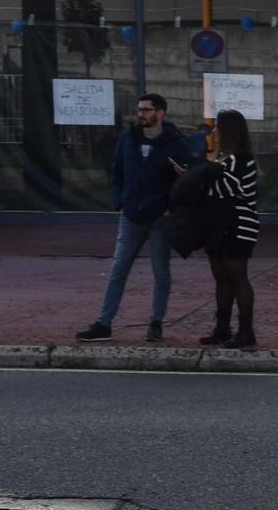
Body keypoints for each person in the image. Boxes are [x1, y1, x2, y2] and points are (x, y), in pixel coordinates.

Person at [75, 92, 194, 343]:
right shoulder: (127, 138)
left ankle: (156, 322)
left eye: (147, 110)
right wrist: (121, 202)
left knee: (161, 271)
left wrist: (171, 207)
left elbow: (188, 179)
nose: (141, 114)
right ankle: (104, 323)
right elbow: (116, 170)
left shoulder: (175, 143)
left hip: (160, 218)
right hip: (131, 215)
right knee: (118, 269)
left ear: (160, 113)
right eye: (139, 109)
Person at [199, 109, 260, 348]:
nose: (214, 130)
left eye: (218, 127)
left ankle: (246, 330)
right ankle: (222, 327)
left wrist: (200, 178)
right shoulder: (227, 159)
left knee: (237, 276)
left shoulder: (240, 159)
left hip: (237, 224)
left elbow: (225, 188)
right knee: (222, 277)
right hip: (221, 224)